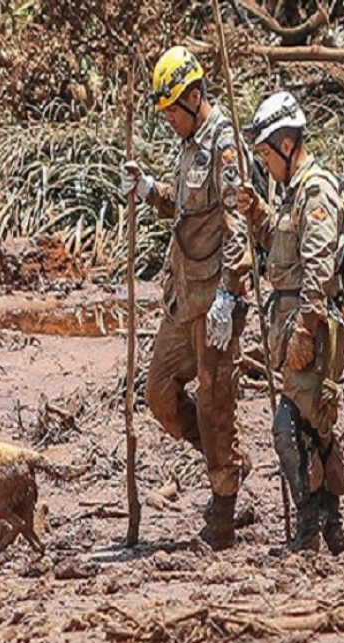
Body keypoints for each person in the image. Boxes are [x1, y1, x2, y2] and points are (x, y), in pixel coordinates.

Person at [119, 46, 251, 549]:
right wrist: (149, 189)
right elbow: (185, 210)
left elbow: (237, 225)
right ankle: (227, 457)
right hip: (182, 296)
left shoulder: (225, 146)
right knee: (157, 393)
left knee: (217, 402)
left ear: (196, 97)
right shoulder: (188, 142)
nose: (169, 118)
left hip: (216, 299)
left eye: (173, 109)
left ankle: (223, 506)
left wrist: (228, 294)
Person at [237, 91, 344, 554]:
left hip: (313, 326)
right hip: (290, 323)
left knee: (291, 427)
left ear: (287, 146)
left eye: (265, 153)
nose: (263, 163)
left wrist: (305, 331)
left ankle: (310, 530)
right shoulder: (289, 194)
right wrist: (258, 215)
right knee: (313, 427)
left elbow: (319, 269)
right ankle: (330, 529)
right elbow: (284, 251)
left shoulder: (315, 189)